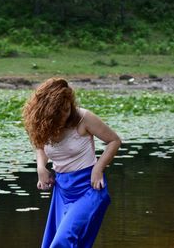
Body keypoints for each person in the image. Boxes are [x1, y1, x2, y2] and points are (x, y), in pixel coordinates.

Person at [22, 78, 121, 248]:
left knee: (63, 241)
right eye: (58, 112)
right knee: (57, 243)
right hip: (62, 191)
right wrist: (41, 168)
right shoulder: (43, 124)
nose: (64, 115)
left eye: (67, 109)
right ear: (47, 111)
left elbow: (114, 141)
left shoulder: (83, 118)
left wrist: (98, 168)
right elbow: (40, 147)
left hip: (89, 188)